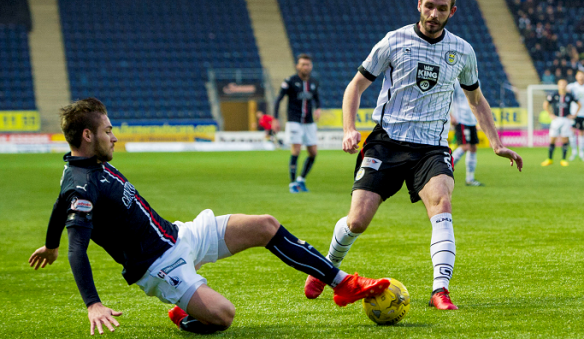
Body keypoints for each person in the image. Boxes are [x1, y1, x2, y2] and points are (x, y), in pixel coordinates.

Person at [28, 98, 390, 335]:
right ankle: (184, 312)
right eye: (108, 131)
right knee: (223, 316)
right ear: (89, 135)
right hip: (158, 268)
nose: (115, 137)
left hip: (178, 235)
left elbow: (60, 206)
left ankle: (342, 283)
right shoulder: (82, 183)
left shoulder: (82, 167)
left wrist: (48, 244)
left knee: (264, 224)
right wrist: (92, 303)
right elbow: (78, 246)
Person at [303, 0, 523, 311]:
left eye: (442, 8)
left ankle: (440, 289)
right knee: (357, 221)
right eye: (430, 6)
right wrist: (349, 129)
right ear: (419, 5)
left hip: (431, 148)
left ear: (452, 11)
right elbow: (355, 87)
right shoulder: (394, 41)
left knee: (442, 205)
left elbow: (476, 99)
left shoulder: (462, 51)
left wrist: (496, 144)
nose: (434, 13)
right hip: (386, 143)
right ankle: (326, 267)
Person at [272, 54, 321, 193]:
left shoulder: (314, 82)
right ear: (297, 66)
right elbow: (278, 99)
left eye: (308, 64)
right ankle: (292, 183)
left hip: (309, 122)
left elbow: (317, 98)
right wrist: (275, 118)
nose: (306, 67)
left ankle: (301, 180)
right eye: (303, 64)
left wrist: (318, 108)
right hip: (294, 121)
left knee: (313, 152)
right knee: (297, 150)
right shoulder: (290, 81)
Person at [450, 80, 483, 186]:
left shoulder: (477, 81)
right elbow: (448, 99)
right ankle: (445, 169)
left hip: (472, 119)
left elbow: (478, 100)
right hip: (461, 119)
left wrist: (479, 118)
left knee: (473, 148)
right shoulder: (455, 82)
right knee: (465, 146)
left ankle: (470, 179)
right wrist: (451, 116)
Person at [541, 79, 581, 166]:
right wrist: (550, 114)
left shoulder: (570, 95)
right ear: (558, 85)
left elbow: (579, 104)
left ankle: (563, 160)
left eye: (564, 84)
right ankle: (549, 159)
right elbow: (545, 104)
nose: (562, 86)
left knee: (565, 139)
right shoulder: (554, 95)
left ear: (566, 85)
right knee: (552, 139)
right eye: (561, 84)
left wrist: (574, 115)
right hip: (556, 119)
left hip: (566, 119)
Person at [567, 70, 584, 160]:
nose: (581, 77)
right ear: (576, 76)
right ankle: (574, 152)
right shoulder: (572, 86)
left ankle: (581, 152)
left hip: (583, 113)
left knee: (581, 132)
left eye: (582, 75)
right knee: (572, 131)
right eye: (579, 75)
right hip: (573, 113)